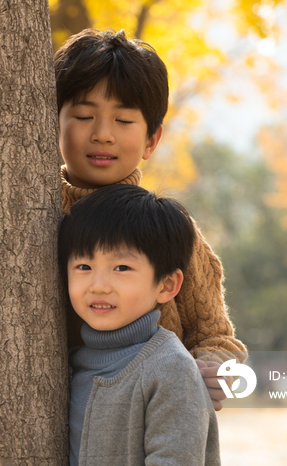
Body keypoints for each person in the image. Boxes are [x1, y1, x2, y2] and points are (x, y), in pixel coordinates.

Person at [54, 28, 246, 409]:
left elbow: (217, 336)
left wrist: (212, 371)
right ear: (52, 123)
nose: (103, 134)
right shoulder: (32, 213)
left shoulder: (164, 228)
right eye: (83, 115)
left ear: (151, 140)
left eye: (124, 121)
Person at [59, 184, 220, 465]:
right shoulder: (70, 364)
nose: (98, 286)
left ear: (167, 285)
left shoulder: (170, 369)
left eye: (121, 268)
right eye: (84, 267)